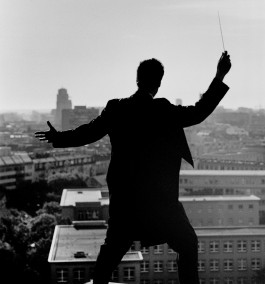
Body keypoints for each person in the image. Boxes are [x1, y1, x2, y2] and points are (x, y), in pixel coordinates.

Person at [35, 51, 231, 284]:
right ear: (158, 83)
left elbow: (88, 132)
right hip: (160, 202)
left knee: (111, 252)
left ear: (137, 80)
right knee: (187, 244)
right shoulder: (164, 111)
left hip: (126, 200)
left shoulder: (117, 109)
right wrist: (219, 75)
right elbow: (199, 112)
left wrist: (58, 138)